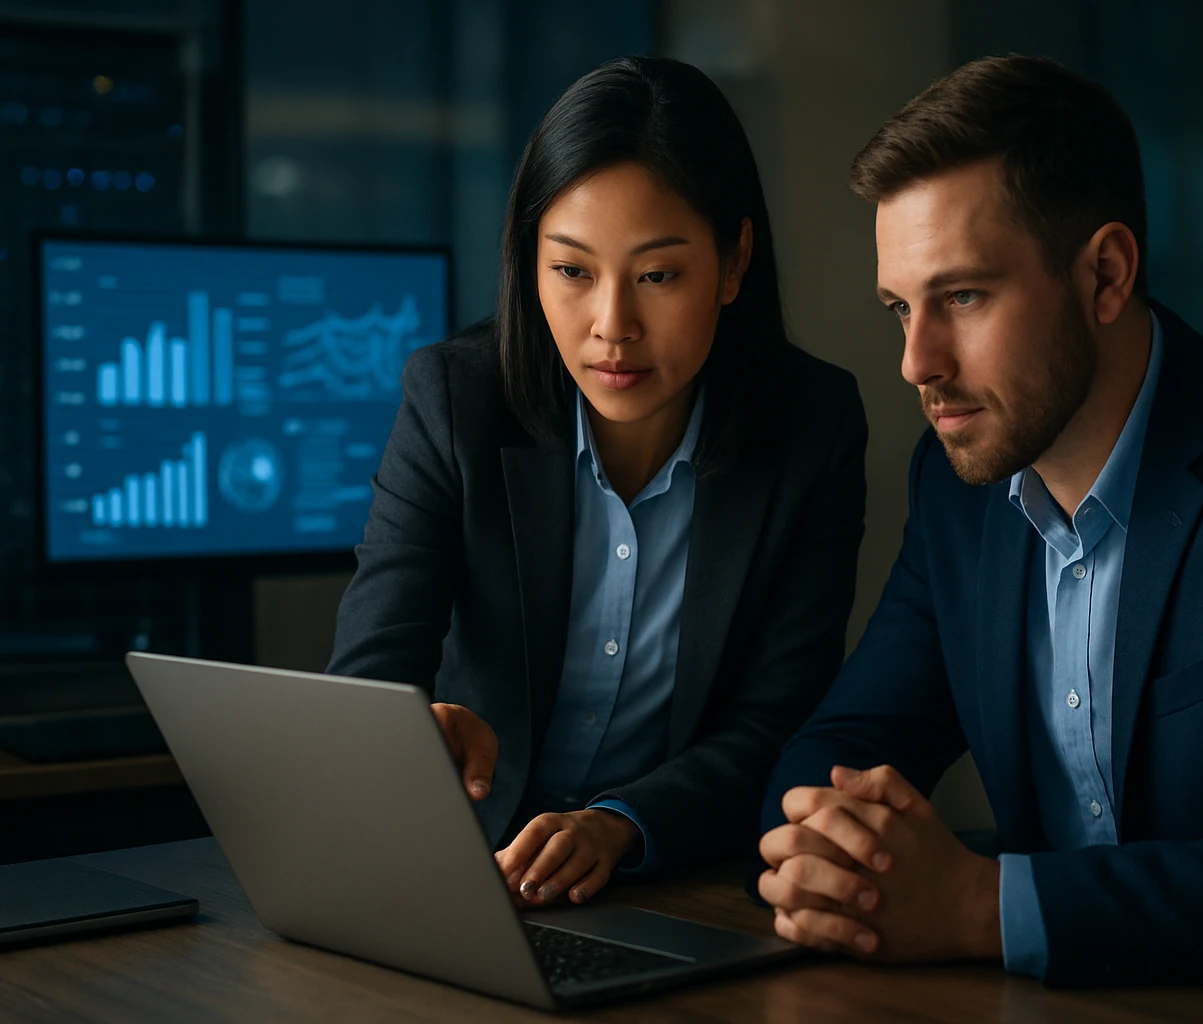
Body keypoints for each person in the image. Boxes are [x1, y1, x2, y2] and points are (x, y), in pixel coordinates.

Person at [756, 55, 1203, 986]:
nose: (916, 361)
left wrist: (976, 907)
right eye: (899, 308)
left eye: (962, 297)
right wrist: (831, 849)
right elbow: (843, 744)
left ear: (1108, 274)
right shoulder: (960, 488)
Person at [330, 56, 866, 909]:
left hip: (679, 884)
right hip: (470, 878)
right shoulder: (454, 399)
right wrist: (408, 732)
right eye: (572, 272)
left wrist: (620, 823)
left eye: (657, 275)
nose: (611, 327)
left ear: (734, 264)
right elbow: (370, 670)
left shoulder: (812, 427)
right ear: (528, 263)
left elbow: (777, 722)